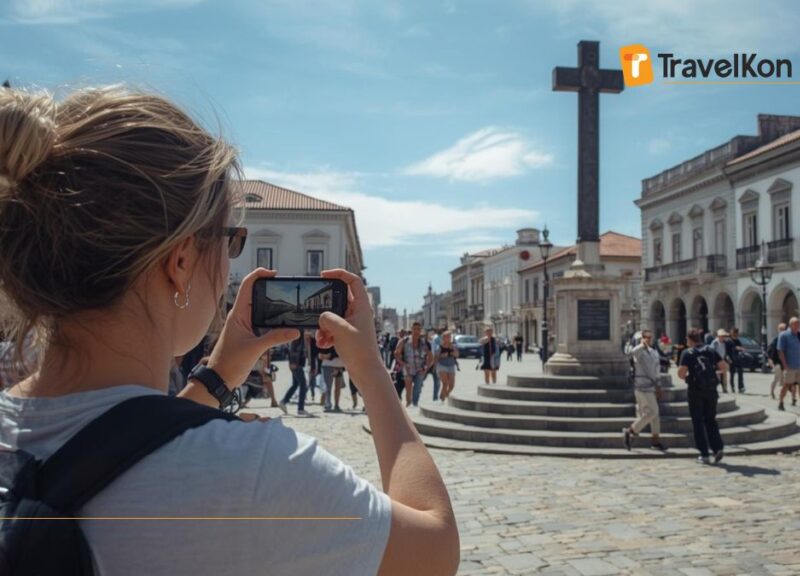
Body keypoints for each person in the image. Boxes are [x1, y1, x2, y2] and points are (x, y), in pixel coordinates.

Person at [0, 86, 458, 575]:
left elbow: (119, 446)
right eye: (231, 239)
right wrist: (369, 368)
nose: (228, 260)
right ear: (179, 261)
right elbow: (434, 549)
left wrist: (220, 372)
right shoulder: (250, 473)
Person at [678, 328, 728, 464]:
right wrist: (713, 373)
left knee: (698, 421)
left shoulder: (687, 353)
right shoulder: (710, 350)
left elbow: (681, 373)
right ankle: (717, 447)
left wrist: (690, 375)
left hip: (695, 391)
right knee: (711, 419)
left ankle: (704, 453)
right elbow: (724, 366)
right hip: (711, 390)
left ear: (689, 339)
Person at [622, 330, 666, 451]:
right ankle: (631, 430)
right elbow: (631, 353)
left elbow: (657, 370)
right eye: (645, 337)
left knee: (653, 415)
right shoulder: (638, 352)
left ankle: (655, 441)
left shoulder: (653, 352)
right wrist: (642, 344)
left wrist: (659, 386)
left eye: (650, 337)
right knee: (652, 412)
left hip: (652, 386)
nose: (648, 339)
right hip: (642, 387)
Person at [777, 317, 800, 416]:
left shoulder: (799, 335)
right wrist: (785, 365)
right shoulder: (784, 335)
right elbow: (781, 351)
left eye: (799, 324)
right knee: (786, 385)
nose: (798, 326)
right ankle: (781, 402)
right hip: (790, 366)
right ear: (791, 325)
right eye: (796, 324)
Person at [394, 321, 433, 408]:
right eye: (414, 329)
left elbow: (431, 358)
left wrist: (426, 368)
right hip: (407, 368)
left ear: (421, 330)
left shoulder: (425, 343)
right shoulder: (404, 341)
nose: (416, 331)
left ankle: (414, 404)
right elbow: (396, 353)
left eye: (418, 329)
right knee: (408, 387)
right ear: (411, 329)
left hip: (420, 369)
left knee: (418, 388)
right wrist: (403, 363)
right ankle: (409, 404)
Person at [279, 329, 311, 416]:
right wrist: (293, 362)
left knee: (295, 384)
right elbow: (294, 349)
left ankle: (284, 401)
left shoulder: (300, 334)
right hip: (296, 364)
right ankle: (300, 409)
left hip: (296, 364)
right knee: (303, 385)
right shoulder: (299, 334)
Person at [320, 344, 345, 413]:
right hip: (329, 364)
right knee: (329, 387)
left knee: (335, 387)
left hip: (338, 365)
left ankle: (334, 405)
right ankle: (329, 404)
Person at [436, 331, 459, 404]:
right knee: (445, 383)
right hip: (442, 365)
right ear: (443, 338)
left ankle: (444, 394)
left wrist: (453, 352)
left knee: (452, 385)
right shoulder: (439, 347)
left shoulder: (453, 346)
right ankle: (442, 399)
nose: (448, 338)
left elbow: (457, 355)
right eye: (447, 337)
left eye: (449, 337)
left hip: (451, 365)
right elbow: (436, 357)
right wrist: (442, 356)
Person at [767, 323, 787, 400]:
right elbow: (770, 350)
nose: (783, 331)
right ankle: (772, 392)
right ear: (778, 330)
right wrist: (770, 360)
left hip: (784, 362)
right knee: (777, 378)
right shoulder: (776, 339)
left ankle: (782, 394)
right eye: (781, 329)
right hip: (777, 362)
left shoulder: (786, 339)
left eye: (784, 329)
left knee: (784, 378)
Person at [728, 327, 746, 394]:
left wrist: (741, 348)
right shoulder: (729, 341)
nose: (735, 334)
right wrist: (736, 348)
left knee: (740, 373)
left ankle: (740, 387)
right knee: (732, 374)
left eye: (736, 333)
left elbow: (741, 347)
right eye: (734, 333)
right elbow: (728, 350)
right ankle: (732, 387)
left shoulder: (738, 340)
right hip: (731, 359)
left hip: (738, 359)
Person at [712, 329, 730, 393]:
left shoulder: (725, 343)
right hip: (716, 361)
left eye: (724, 336)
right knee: (716, 375)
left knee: (724, 375)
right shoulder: (715, 343)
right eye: (722, 336)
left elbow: (727, 351)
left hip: (723, 360)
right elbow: (712, 352)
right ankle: (714, 387)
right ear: (719, 336)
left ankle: (724, 388)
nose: (724, 337)